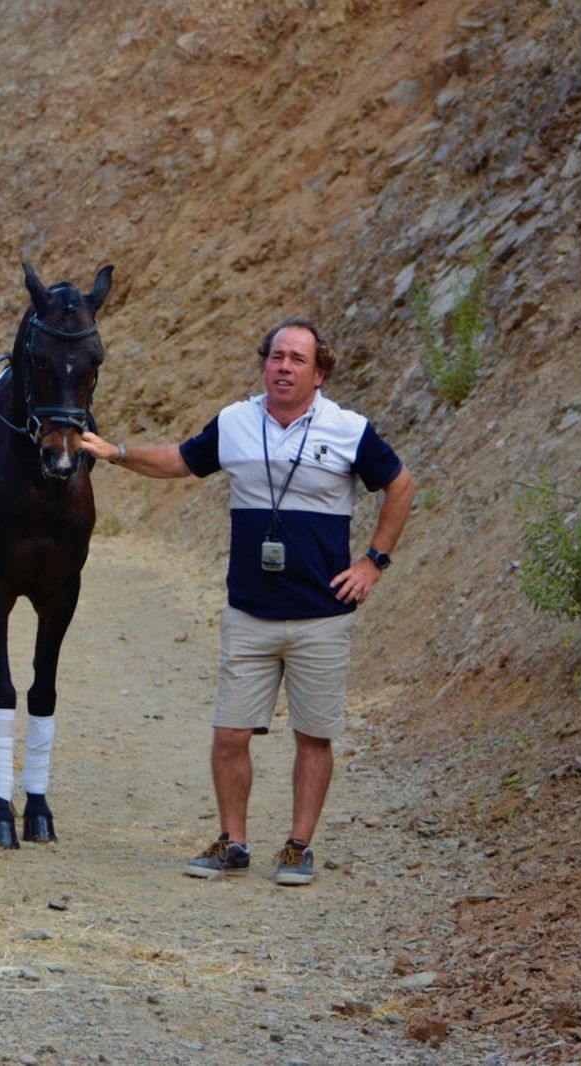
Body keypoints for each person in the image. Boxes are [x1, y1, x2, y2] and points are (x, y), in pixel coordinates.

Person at [80, 317, 416, 886]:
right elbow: (181, 461)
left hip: (322, 615)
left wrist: (372, 562)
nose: (284, 367)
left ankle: (297, 847)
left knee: (313, 735)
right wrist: (114, 452)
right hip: (249, 611)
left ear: (320, 372)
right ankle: (234, 843)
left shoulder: (348, 429)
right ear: (264, 363)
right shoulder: (236, 422)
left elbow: (400, 485)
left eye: (297, 359)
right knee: (231, 735)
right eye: (276, 356)